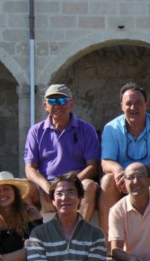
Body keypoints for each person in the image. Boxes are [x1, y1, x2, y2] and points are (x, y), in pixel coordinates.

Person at [99, 83, 150, 239]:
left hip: (149, 175)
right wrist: (119, 171)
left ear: (146, 105)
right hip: (122, 180)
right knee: (107, 181)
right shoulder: (110, 128)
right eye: (129, 104)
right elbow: (106, 161)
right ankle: (109, 245)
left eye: (138, 103)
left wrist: (137, 175)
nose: (133, 107)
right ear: (121, 106)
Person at [23, 83, 100, 221]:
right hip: (47, 188)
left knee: (89, 186)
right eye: (52, 101)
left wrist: (71, 184)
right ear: (45, 106)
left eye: (62, 100)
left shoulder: (87, 130)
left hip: (76, 186)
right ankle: (34, 235)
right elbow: (30, 168)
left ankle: (77, 236)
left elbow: (93, 166)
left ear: (71, 103)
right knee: (23, 188)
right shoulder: (36, 131)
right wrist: (47, 186)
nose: (57, 105)